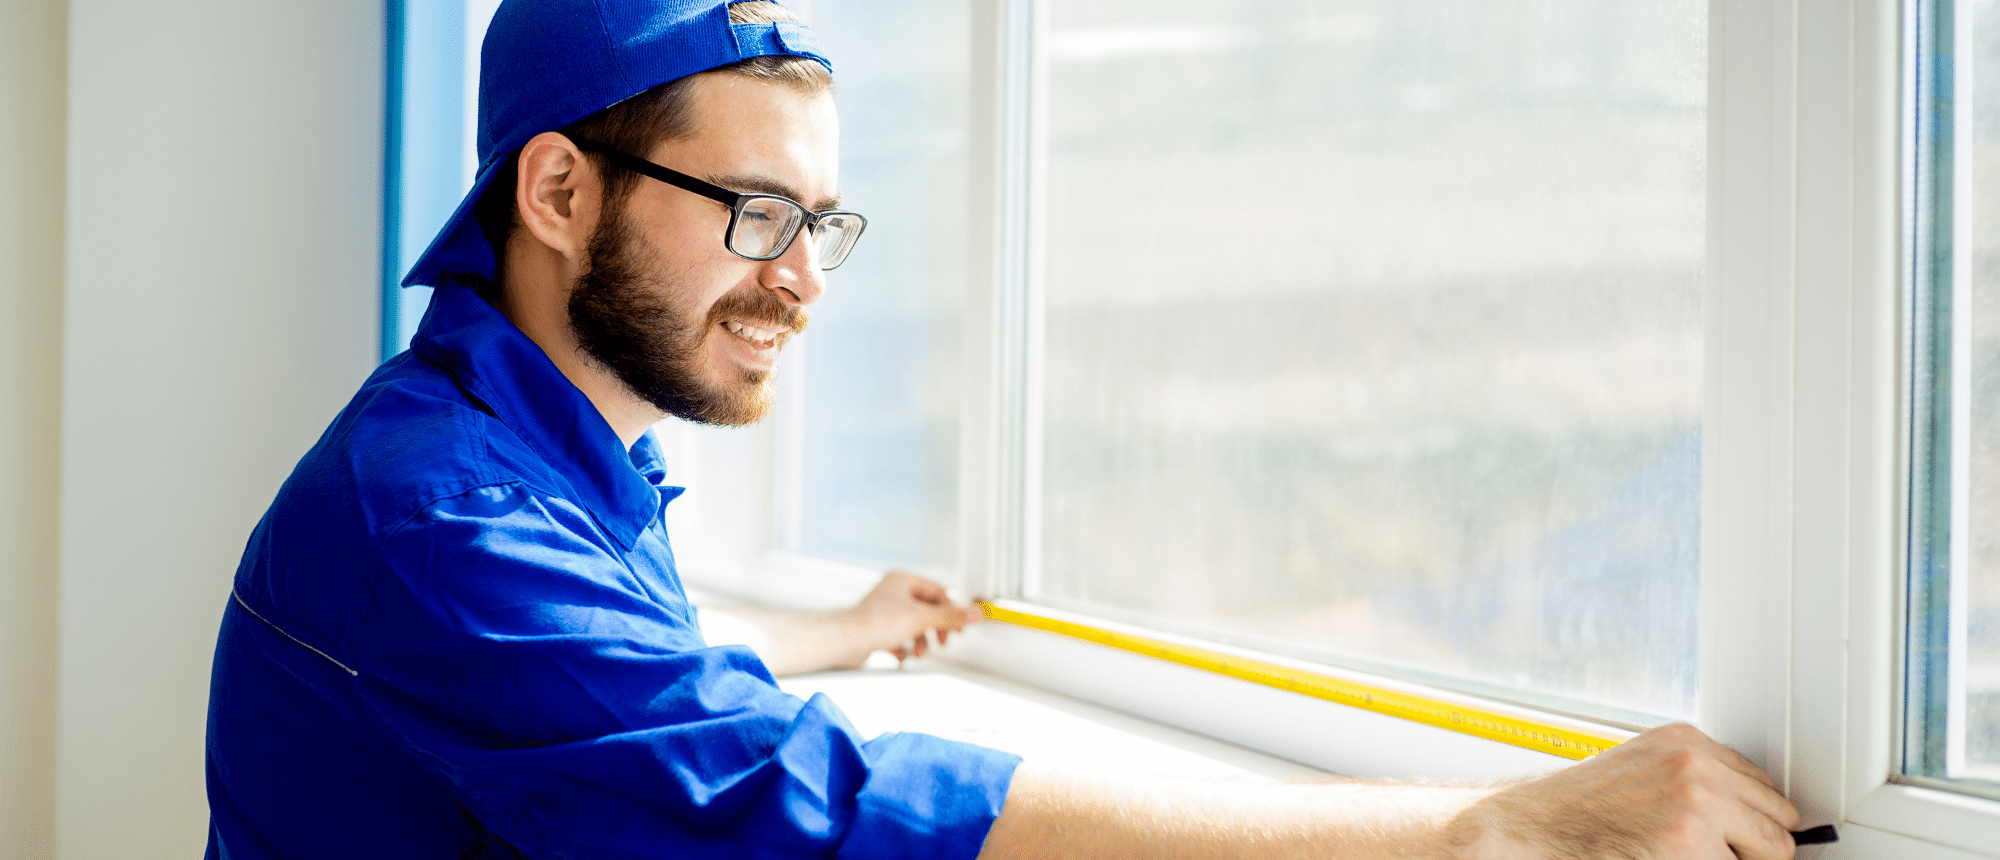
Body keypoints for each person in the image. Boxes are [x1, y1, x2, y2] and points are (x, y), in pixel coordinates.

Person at [203, 1, 1802, 857]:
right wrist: (1478, 829)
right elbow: (796, 805)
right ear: (558, 191)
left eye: (822, 226)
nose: (800, 284)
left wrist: (829, 633)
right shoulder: (432, 518)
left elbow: (609, 675)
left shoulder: (526, 457)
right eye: (756, 213)